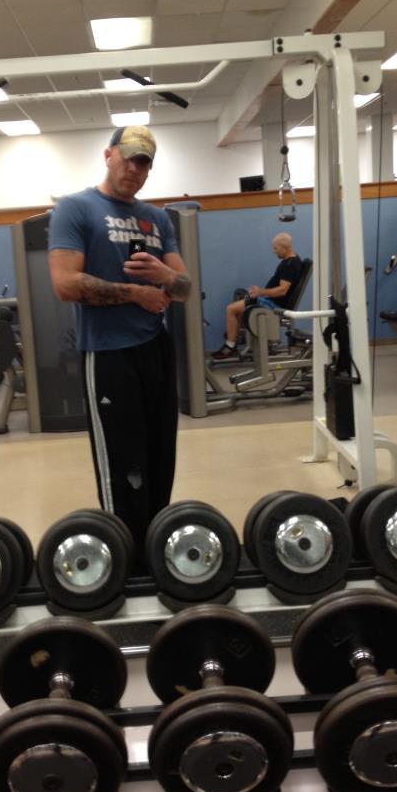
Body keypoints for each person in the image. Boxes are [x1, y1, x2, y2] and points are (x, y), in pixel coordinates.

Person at [47, 125, 191, 558]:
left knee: (160, 454)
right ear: (108, 155)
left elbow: (185, 288)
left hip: (155, 348)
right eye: (128, 158)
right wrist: (135, 293)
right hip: (109, 353)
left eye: (143, 162)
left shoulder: (157, 218)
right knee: (122, 463)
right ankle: (125, 554)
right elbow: (64, 284)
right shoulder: (76, 209)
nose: (134, 169)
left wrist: (165, 276)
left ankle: (154, 546)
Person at [211, 231, 304, 359]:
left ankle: (230, 346)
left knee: (231, 309)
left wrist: (260, 292)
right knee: (240, 305)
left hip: (273, 305)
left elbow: (282, 290)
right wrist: (259, 293)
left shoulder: (289, 265)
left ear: (284, 247)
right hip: (270, 301)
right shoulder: (293, 261)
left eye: (275, 248)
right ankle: (234, 339)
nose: (273, 251)